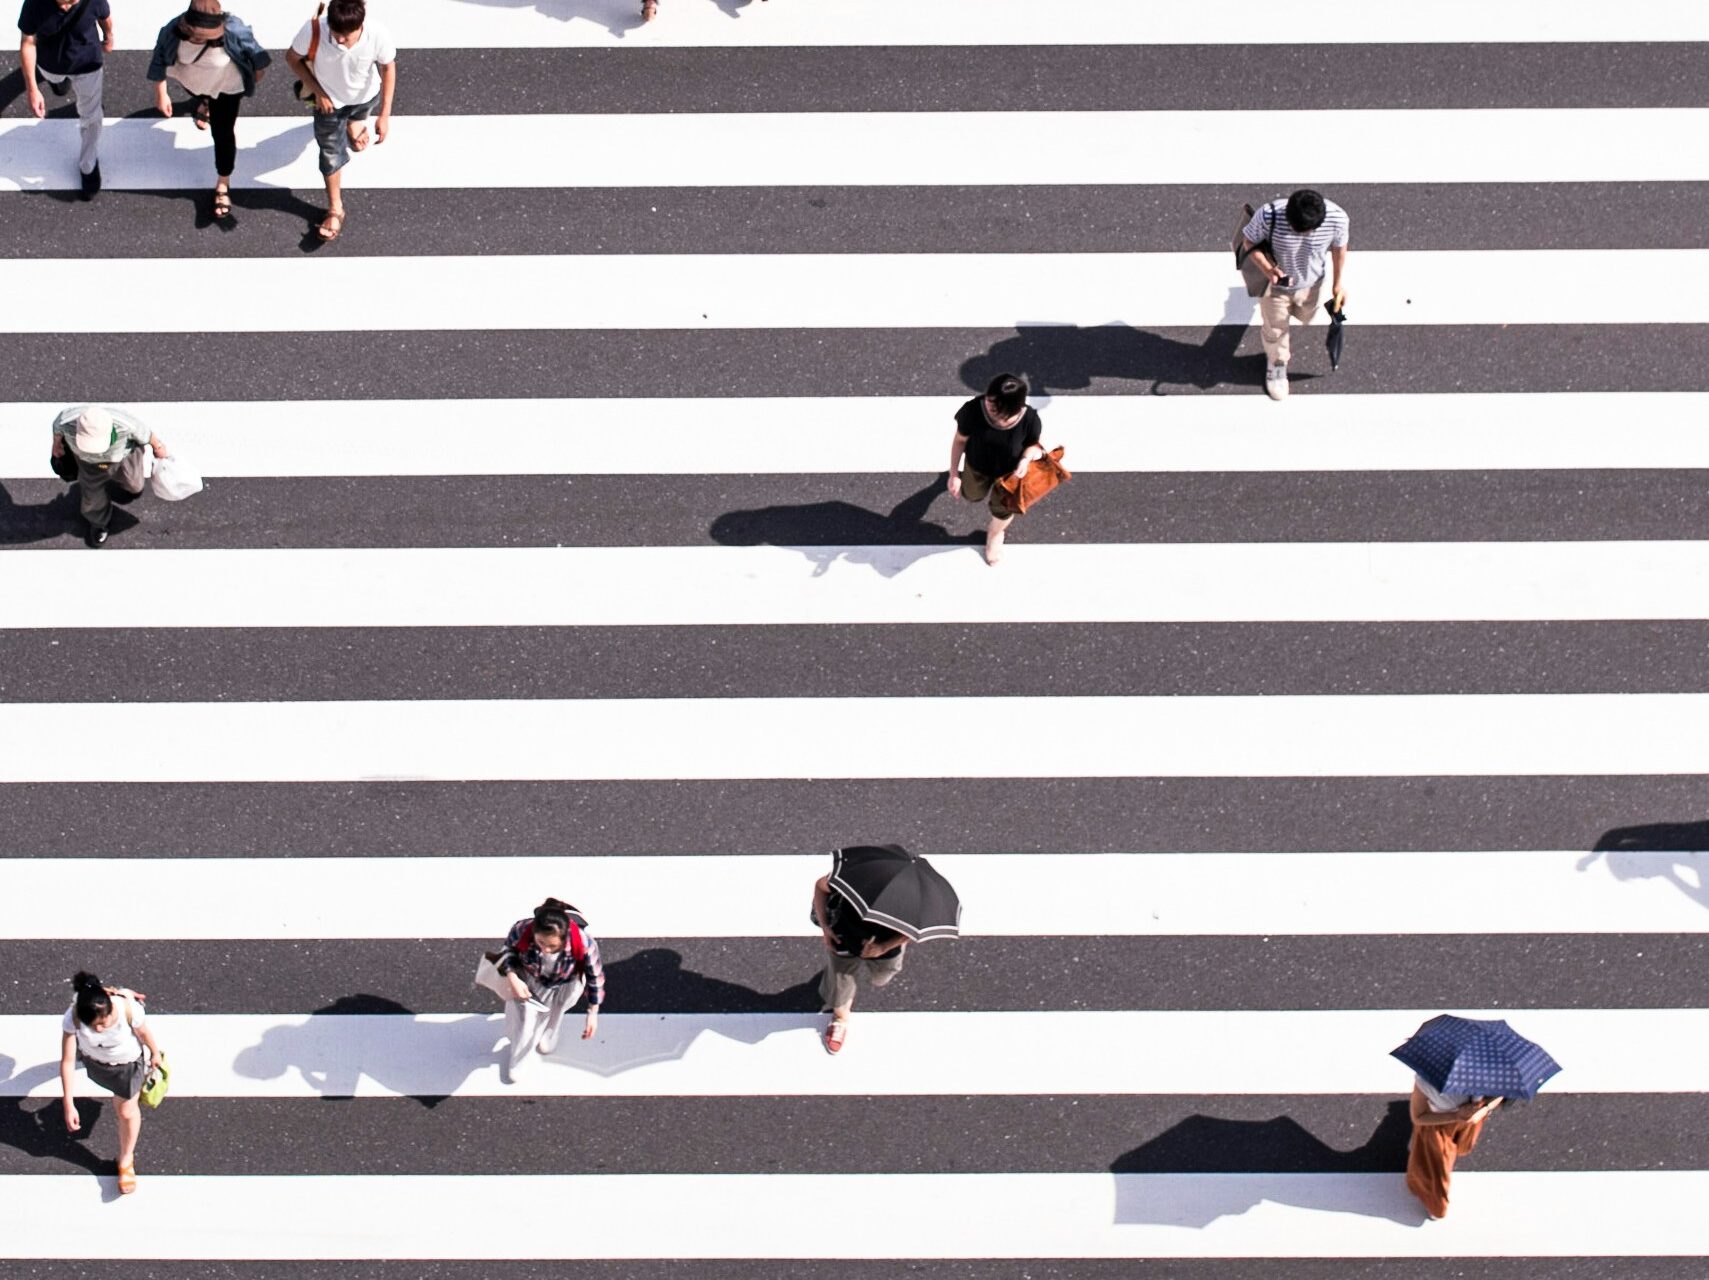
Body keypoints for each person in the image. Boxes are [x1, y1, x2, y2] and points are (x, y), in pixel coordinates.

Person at [146, 0, 271, 222]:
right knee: (199, 95)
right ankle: (204, 102)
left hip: (227, 88)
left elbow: (258, 55)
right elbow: (158, 60)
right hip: (194, 83)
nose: (197, 39)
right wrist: (161, 93)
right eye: (194, 34)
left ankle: (223, 181)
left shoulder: (233, 29)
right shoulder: (171, 31)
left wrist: (254, 76)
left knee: (223, 134)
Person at [285, 0, 396, 243]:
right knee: (330, 153)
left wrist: (385, 115)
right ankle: (335, 209)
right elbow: (292, 58)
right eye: (336, 35)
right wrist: (318, 92)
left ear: (361, 24)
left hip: (366, 96)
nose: (341, 41)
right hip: (329, 104)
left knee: (360, 111)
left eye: (348, 35)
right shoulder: (315, 29)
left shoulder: (377, 34)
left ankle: (354, 122)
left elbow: (388, 68)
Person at [59, 972, 166, 1195]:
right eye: (93, 1025)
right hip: (96, 1063)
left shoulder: (128, 1010)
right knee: (122, 1107)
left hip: (127, 1065)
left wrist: (155, 1053)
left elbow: (144, 1032)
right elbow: (68, 1060)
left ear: (110, 1009)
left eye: (103, 1023)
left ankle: (126, 1160)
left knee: (126, 1111)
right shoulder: (75, 1016)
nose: (99, 1028)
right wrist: (68, 1102)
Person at [1237, 188, 1349, 401]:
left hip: (1312, 283)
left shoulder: (1337, 219)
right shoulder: (1269, 215)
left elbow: (1339, 249)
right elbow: (1248, 242)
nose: (1297, 234)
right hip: (1275, 287)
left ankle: (1282, 342)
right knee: (1276, 328)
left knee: (1306, 315)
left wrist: (1338, 284)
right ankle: (1277, 363)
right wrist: (1268, 270)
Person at [494, 897, 604, 1081]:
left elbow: (595, 977)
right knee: (526, 1023)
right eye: (540, 943)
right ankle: (518, 1058)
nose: (545, 949)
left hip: (567, 982)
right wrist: (513, 977)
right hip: (532, 980)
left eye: (553, 946)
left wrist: (592, 1012)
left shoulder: (584, 944)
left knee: (558, 1009)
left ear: (565, 936)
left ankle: (550, 1033)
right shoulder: (522, 929)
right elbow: (508, 951)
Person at [17, 0, 112, 199]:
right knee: (57, 83)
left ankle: (88, 165)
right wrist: (32, 88)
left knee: (92, 116)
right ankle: (59, 82)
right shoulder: (34, 5)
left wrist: (108, 36)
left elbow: (105, 16)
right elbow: (28, 42)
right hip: (50, 64)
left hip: (88, 65)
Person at [947, 372, 1045, 565]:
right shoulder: (973, 410)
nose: (988, 406)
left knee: (1003, 509)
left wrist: (1025, 460)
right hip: (977, 466)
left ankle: (995, 535)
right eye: (989, 401)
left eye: (995, 406)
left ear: (1013, 408)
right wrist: (953, 473)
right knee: (972, 495)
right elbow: (959, 441)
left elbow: (1033, 444)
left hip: (1009, 476)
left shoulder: (1030, 419)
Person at [811, 872, 907, 1055]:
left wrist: (883, 947)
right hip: (844, 939)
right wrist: (825, 927)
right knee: (840, 985)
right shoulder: (852, 879)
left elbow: (912, 931)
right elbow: (821, 887)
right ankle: (839, 1019)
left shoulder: (909, 899)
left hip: (886, 947)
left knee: (881, 978)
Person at [50, 405, 169, 547]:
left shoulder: (126, 424)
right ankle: (98, 522)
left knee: (134, 485)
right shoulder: (65, 420)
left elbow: (148, 436)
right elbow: (57, 429)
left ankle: (131, 490)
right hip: (88, 464)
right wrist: (56, 445)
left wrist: (159, 447)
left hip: (124, 457)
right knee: (92, 498)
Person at [1404, 1075, 1502, 1219]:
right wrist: (1474, 1112)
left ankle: (1433, 1203)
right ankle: (1436, 1206)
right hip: (1443, 1126)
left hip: (1455, 1121)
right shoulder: (1488, 1073)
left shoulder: (1428, 1078)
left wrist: (1482, 1109)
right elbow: (1418, 1117)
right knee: (1437, 1168)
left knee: (1433, 1163)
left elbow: (1419, 1116)